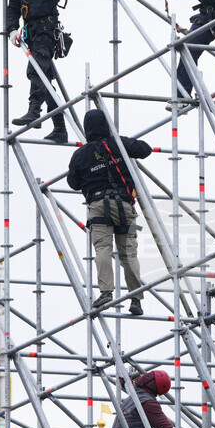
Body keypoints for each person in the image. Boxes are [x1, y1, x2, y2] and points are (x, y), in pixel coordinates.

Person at [67, 109, 152, 315]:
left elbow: (73, 183)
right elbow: (145, 149)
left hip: (98, 205)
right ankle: (136, 298)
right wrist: (119, 144)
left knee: (102, 249)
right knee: (128, 253)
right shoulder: (118, 144)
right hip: (124, 204)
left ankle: (106, 292)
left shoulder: (81, 155)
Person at [6, 0, 69, 143]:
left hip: (46, 30)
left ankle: (34, 110)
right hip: (31, 32)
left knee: (36, 71)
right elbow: (13, 6)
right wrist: (12, 29)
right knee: (45, 80)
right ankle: (59, 127)